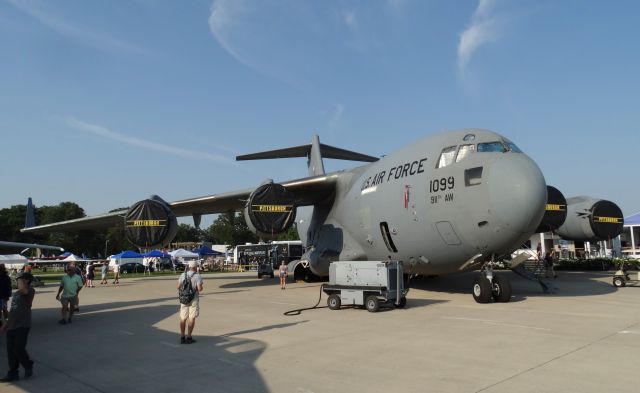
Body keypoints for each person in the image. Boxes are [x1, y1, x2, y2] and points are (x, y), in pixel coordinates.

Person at [0, 272, 35, 382]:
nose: (17, 280)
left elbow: (23, 289)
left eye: (20, 279)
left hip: (23, 325)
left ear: (27, 280)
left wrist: (19, 277)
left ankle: (28, 364)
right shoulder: (17, 293)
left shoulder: (30, 290)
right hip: (12, 325)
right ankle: (13, 373)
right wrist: (6, 324)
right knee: (10, 351)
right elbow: (13, 309)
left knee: (18, 349)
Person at [177, 261, 203, 344]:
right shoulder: (197, 276)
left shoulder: (182, 275)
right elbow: (199, 289)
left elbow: (178, 287)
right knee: (191, 318)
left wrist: (183, 291)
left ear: (188, 267)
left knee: (183, 318)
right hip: (193, 299)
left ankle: (182, 336)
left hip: (184, 299)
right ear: (196, 267)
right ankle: (189, 336)